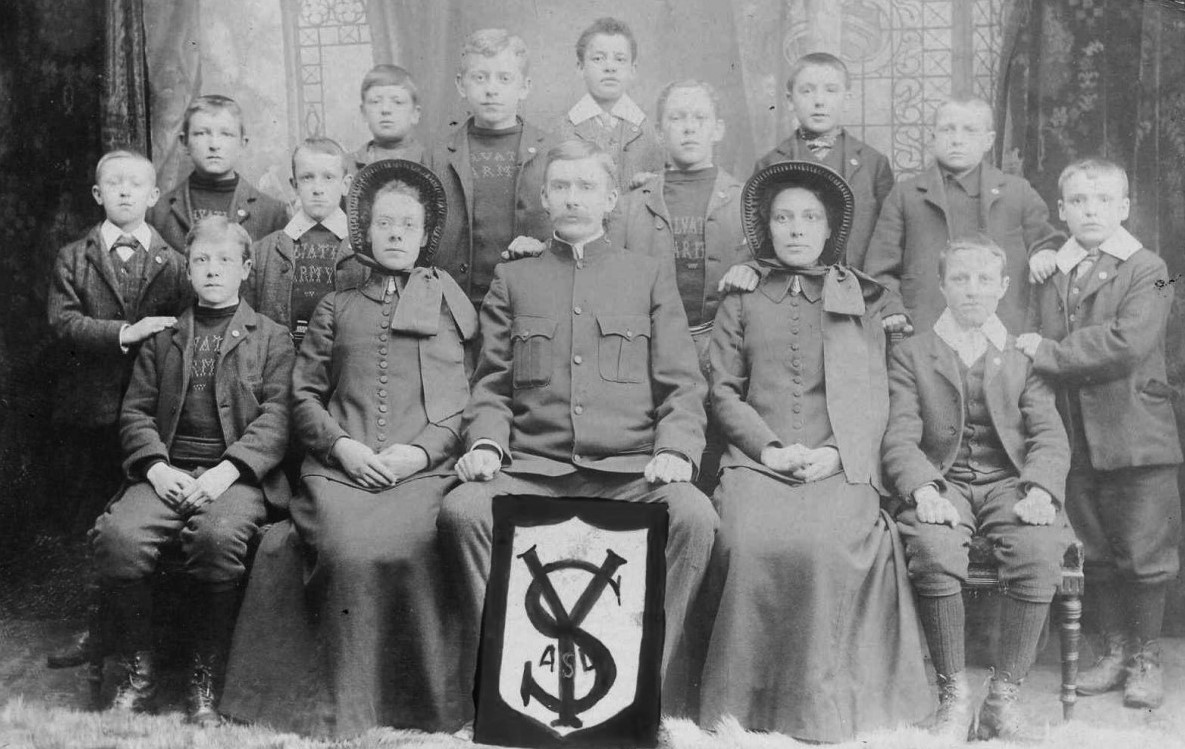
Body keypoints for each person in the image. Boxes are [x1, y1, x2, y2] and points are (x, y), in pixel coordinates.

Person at [436, 139, 717, 712]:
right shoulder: (514, 280)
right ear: (543, 197)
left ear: (611, 197)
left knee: (695, 516)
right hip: (535, 469)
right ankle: (512, 684)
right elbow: (490, 385)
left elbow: (683, 387)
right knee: (462, 511)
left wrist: (676, 451)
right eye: (561, 186)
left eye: (586, 186)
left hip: (627, 468)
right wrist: (487, 444)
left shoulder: (646, 276)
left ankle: (639, 688)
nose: (573, 198)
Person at [223, 159, 475, 737]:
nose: (394, 234)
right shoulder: (336, 307)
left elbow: (466, 400)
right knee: (345, 549)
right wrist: (342, 449)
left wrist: (422, 454)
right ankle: (343, 708)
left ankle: (418, 705)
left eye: (406, 226)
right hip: (339, 471)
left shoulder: (449, 304)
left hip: (422, 472)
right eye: (383, 223)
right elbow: (304, 396)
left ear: (424, 235)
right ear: (364, 230)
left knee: (416, 546)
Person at [699, 160, 928, 743]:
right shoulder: (742, 296)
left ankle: (819, 712)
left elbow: (880, 393)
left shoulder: (867, 298)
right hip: (757, 463)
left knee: (825, 548)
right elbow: (722, 390)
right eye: (783, 218)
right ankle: (743, 711)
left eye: (809, 218)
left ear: (830, 231)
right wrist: (768, 449)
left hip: (842, 463)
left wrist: (840, 454)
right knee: (746, 543)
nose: (796, 229)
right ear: (766, 227)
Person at [91, 216, 294, 724]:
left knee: (217, 539)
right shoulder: (164, 336)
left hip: (236, 478)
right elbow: (135, 411)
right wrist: (156, 469)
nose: (212, 270)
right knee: (120, 537)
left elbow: (278, 417)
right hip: (168, 471)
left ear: (246, 269)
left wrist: (227, 472)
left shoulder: (271, 338)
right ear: (187, 268)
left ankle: (206, 675)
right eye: (201, 259)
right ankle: (142, 672)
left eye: (225, 260)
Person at [883, 237, 1072, 741]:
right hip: (943, 482)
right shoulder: (912, 354)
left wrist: (1040, 492)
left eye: (985, 279)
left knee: (1038, 549)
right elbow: (900, 436)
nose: (972, 290)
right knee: (933, 544)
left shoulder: (1023, 354)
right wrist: (923, 490)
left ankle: (1002, 697)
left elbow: (1048, 436)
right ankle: (953, 696)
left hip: (1010, 482)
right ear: (942, 285)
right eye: (960, 278)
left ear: (1004, 286)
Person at [1018, 157, 1181, 710]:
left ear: (1124, 209)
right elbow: (1026, 329)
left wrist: (1049, 354)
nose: (1091, 211)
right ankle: (1111, 652)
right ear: (1061, 210)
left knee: (1144, 554)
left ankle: (1144, 657)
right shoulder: (1051, 271)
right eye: (1079, 202)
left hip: (1136, 436)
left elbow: (1128, 344)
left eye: (1103, 201)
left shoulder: (1151, 268)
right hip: (1074, 437)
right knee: (1092, 551)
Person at [609, 78, 747, 492]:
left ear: (718, 129)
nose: (689, 127)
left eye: (700, 118)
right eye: (677, 118)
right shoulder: (632, 203)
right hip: (653, 350)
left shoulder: (746, 201)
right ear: (658, 130)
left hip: (726, 349)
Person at [47, 150, 191, 536]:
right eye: (114, 184)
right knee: (86, 507)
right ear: (97, 194)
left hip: (149, 404)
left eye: (136, 184)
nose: (124, 192)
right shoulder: (73, 258)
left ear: (154, 195)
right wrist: (125, 333)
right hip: (91, 402)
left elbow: (185, 329)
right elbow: (62, 322)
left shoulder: (176, 264)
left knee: (141, 493)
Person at [864, 95, 1064, 333]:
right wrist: (892, 308)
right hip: (927, 328)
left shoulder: (1017, 192)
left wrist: (1045, 253)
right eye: (948, 130)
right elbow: (879, 268)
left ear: (988, 140)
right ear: (933, 137)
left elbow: (1047, 241)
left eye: (970, 131)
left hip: (1002, 329)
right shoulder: (906, 195)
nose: (957, 140)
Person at [426, 28, 554, 307]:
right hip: (453, 307)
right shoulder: (437, 156)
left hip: (530, 307)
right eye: (479, 77)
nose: (491, 88)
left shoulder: (551, 153)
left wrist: (544, 248)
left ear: (525, 86)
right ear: (461, 85)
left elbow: (575, 230)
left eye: (504, 78)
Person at [753, 52, 892, 271]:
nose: (819, 101)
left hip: (858, 288)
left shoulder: (874, 164)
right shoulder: (770, 164)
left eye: (830, 90)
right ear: (790, 100)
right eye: (807, 91)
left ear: (847, 100)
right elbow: (759, 239)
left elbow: (888, 239)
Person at [246, 137, 367, 347]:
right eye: (307, 177)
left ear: (345, 184)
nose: (317, 188)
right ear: (294, 185)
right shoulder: (264, 251)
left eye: (328, 177)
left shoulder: (366, 249)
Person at [149, 94, 288, 252]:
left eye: (226, 134)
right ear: (184, 142)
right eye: (202, 133)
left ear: (243, 144)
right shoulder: (157, 212)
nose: (214, 145)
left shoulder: (273, 214)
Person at [554, 17, 663, 194]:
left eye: (620, 60)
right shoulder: (564, 130)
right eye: (598, 58)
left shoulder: (649, 132)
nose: (610, 67)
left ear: (633, 69)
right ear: (580, 67)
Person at [349, 64, 426, 169]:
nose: (385, 110)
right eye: (375, 102)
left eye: (397, 102)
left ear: (415, 114)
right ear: (364, 112)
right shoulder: (346, 166)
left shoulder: (432, 162)